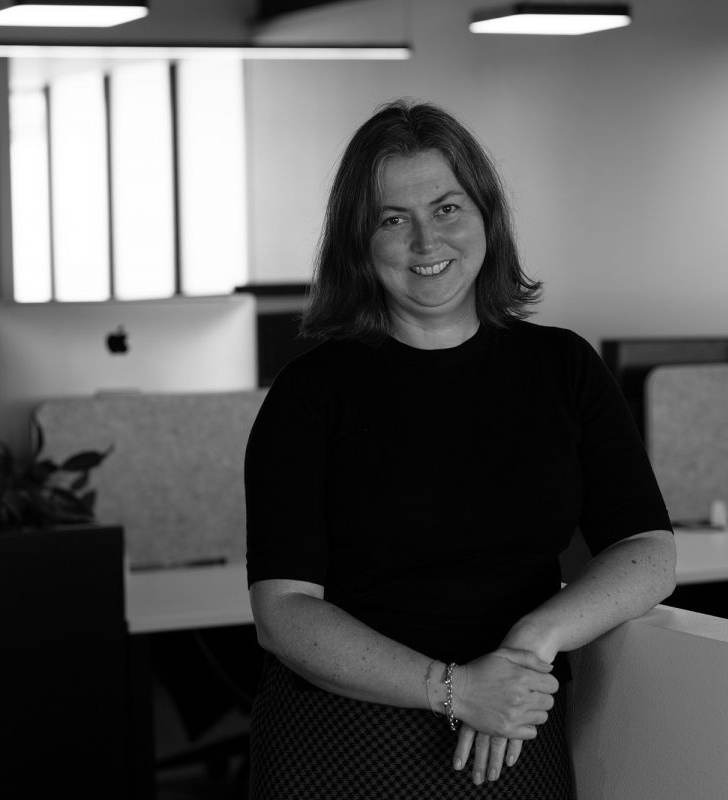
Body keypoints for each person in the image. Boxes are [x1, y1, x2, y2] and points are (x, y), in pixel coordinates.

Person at [244, 99, 676, 799]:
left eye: (447, 209)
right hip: (345, 739)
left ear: (485, 218)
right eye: (392, 220)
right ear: (358, 243)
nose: (425, 241)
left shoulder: (563, 367)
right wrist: (453, 689)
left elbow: (649, 551)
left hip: (511, 725)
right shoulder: (310, 393)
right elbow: (284, 612)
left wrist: (535, 638)